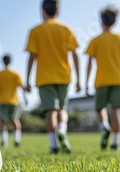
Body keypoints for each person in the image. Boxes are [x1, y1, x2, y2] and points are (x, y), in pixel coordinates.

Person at [25, 0, 81, 154]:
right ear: (58, 12)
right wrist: (78, 79)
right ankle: (62, 129)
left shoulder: (35, 31)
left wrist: (27, 80)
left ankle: (54, 145)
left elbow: (31, 57)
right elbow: (75, 55)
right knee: (62, 110)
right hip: (64, 76)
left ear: (42, 11)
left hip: (44, 77)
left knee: (50, 111)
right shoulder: (66, 29)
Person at [85, 6, 120, 151]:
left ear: (101, 22)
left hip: (101, 81)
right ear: (114, 22)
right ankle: (115, 143)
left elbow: (89, 63)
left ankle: (104, 127)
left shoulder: (95, 41)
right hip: (119, 80)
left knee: (100, 109)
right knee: (116, 111)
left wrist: (86, 83)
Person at [0, 54, 28, 148]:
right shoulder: (15, 74)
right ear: (10, 61)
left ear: (3, 61)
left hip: (2, 100)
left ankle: (4, 141)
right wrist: (26, 99)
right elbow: (22, 88)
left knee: (3, 122)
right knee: (15, 120)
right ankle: (17, 139)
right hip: (14, 101)